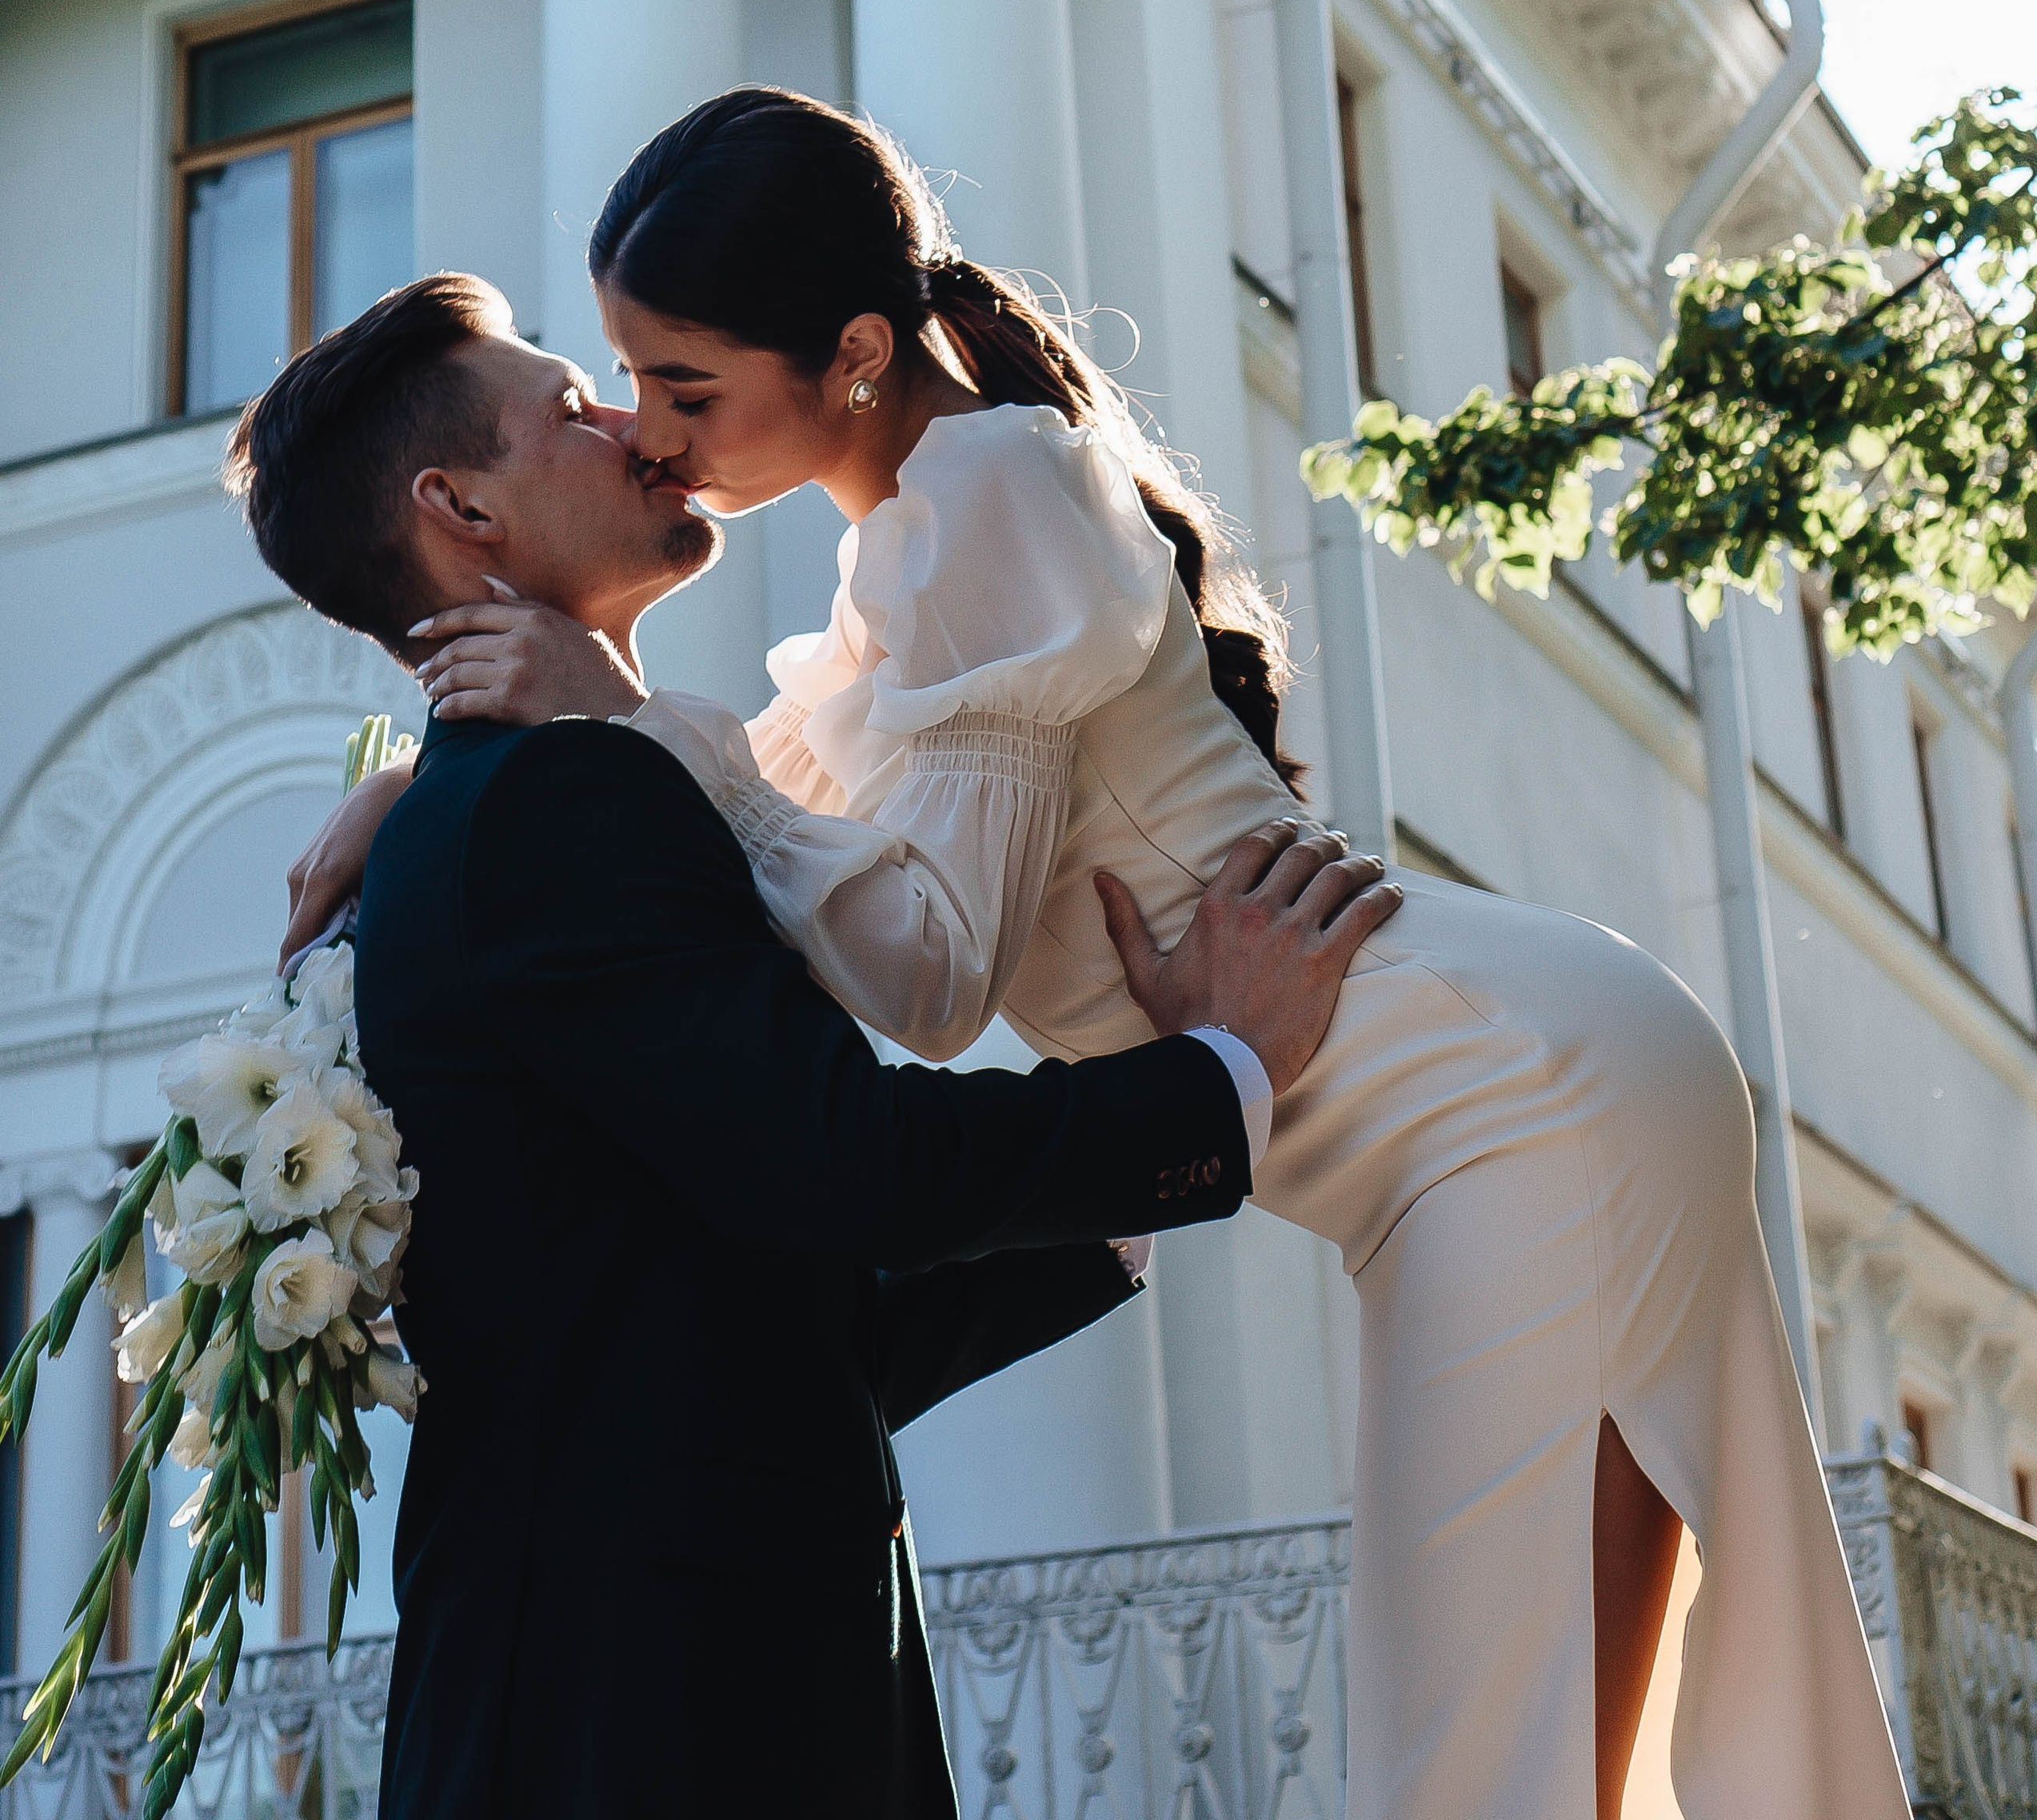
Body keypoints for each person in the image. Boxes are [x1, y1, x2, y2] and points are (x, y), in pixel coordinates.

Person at [290, 93, 1911, 1820]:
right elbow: (737, 846)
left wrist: (624, 724)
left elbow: (922, 977)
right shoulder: (895, 567)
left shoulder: (986, 491)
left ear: (847, 356)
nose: (649, 433)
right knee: (1544, 1744)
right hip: (1502, 1086)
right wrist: (426, 778)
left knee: (1473, 1744)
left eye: (681, 387)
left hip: (1503, 1091)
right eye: (620, 386)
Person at [230, 270, 1397, 1820]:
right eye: (572, 408)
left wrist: (1120, 1196)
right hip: (650, 1724)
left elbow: (757, 1326)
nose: (634, 429)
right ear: (462, 507)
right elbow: (854, 1168)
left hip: (648, 1699)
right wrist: (1215, 1075)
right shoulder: (555, 807)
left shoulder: (503, 811)